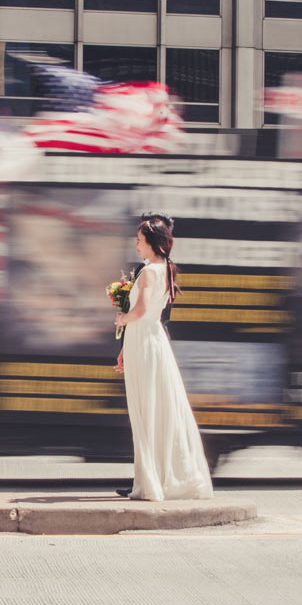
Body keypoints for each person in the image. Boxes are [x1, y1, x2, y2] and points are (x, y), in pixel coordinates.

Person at [113, 213, 213, 501]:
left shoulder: (147, 273)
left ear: (151, 242)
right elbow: (151, 315)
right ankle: (155, 478)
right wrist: (124, 348)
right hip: (153, 341)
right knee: (161, 410)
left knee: (145, 413)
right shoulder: (166, 269)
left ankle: (148, 483)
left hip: (143, 342)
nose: (136, 245)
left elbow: (140, 312)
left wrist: (121, 318)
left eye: (139, 241)